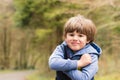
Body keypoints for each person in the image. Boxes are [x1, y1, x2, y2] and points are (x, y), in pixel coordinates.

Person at [49, 14, 102, 80]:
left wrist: (62, 66)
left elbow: (84, 78)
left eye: (80, 36)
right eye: (71, 35)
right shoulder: (62, 48)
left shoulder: (91, 55)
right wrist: (79, 63)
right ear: (65, 37)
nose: (75, 38)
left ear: (88, 39)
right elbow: (53, 63)